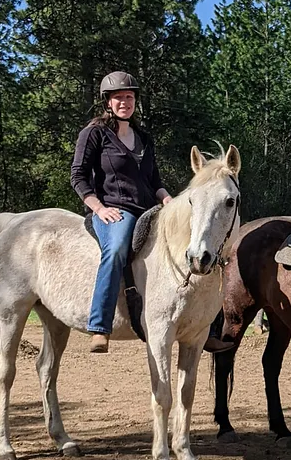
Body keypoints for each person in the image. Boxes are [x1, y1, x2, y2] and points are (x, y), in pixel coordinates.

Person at [71, 71, 232, 354]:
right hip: (114, 210)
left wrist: (168, 199)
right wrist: (98, 207)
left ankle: (203, 327)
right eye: (118, 97)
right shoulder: (94, 133)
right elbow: (78, 175)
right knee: (117, 248)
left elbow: (154, 180)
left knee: (198, 244)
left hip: (149, 209)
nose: (124, 102)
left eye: (129, 97)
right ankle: (100, 325)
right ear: (107, 101)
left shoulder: (143, 137)